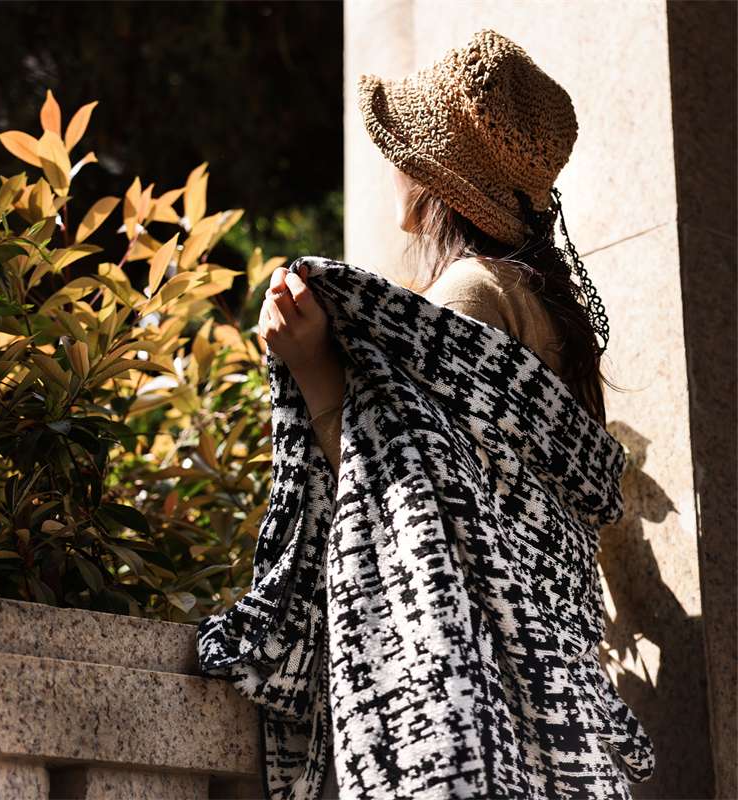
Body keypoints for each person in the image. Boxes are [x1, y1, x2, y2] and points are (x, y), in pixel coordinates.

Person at [257, 28, 619, 800]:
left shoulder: (468, 296)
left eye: (406, 147)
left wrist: (312, 368)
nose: (391, 162)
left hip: (470, 690)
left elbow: (410, 499)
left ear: (435, 175)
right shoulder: (543, 304)